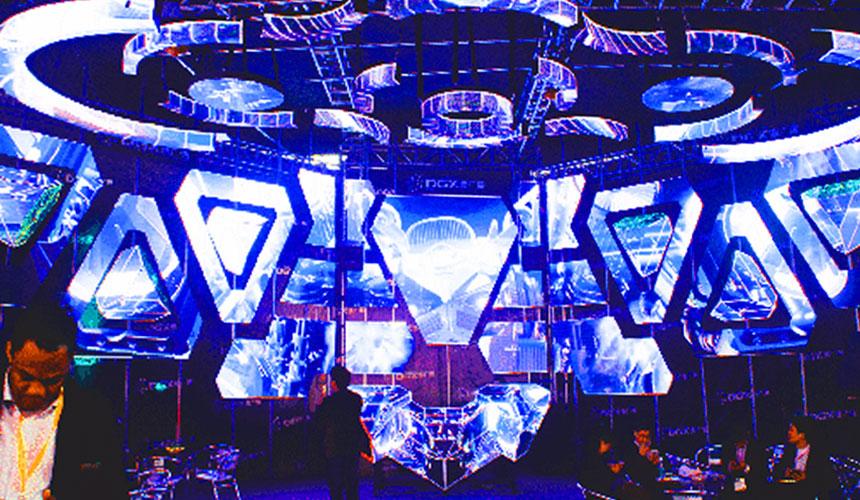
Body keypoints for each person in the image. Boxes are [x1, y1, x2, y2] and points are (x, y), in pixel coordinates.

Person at [0, 302, 126, 499]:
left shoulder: (93, 416)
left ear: (69, 362)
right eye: (26, 377)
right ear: (10, 351)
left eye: (51, 381)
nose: (36, 391)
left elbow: (114, 492)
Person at [314, 365, 370, 500]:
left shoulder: (329, 402)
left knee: (336, 485)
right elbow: (356, 421)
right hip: (351, 444)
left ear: (334, 382)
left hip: (335, 445)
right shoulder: (355, 399)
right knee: (352, 483)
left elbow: (319, 420)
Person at [773, 416, 838, 499]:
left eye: (792, 430)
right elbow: (777, 472)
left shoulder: (818, 454)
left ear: (802, 435)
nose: (788, 433)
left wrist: (807, 476)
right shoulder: (789, 452)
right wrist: (786, 472)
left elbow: (826, 478)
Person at [720, 427, 764, 496]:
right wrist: (729, 466)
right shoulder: (728, 447)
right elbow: (723, 465)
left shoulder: (756, 448)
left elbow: (760, 469)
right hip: (732, 483)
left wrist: (745, 467)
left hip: (752, 484)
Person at [625, 425, 661, 498]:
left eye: (647, 437)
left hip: (652, 486)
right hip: (636, 490)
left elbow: (655, 472)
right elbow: (632, 472)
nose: (644, 440)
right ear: (635, 434)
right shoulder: (628, 448)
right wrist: (641, 456)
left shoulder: (651, 447)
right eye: (642, 436)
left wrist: (655, 463)